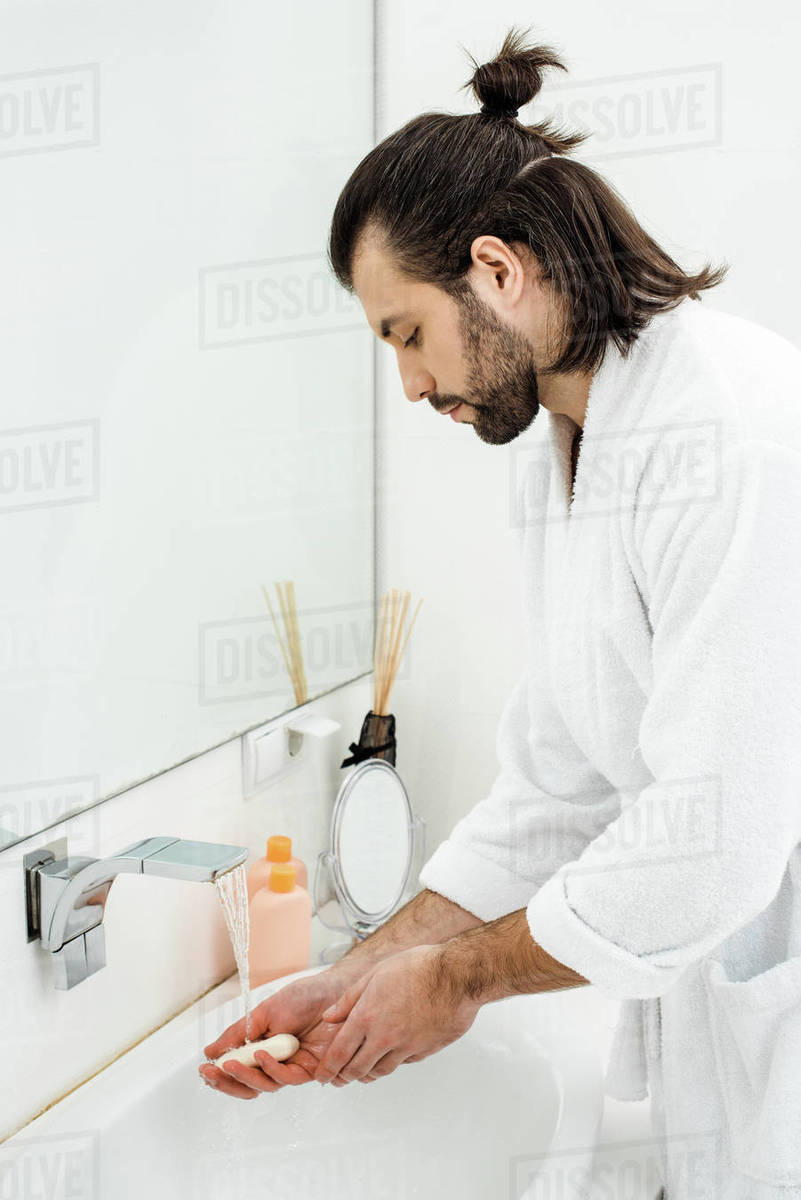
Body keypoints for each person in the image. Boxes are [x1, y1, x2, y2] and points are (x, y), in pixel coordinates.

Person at [200, 26, 801, 1198]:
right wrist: (371, 966)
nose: (413, 384)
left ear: (498, 270)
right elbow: (556, 785)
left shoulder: (724, 429)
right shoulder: (562, 454)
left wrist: (462, 979)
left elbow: (719, 838)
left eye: (406, 334)